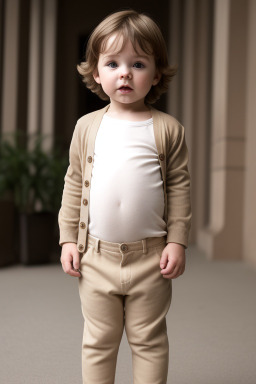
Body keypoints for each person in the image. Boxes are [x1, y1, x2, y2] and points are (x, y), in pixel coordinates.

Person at [59, 9, 192, 384]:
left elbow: (179, 187)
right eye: (113, 63)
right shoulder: (87, 127)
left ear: (156, 73)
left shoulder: (168, 129)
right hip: (95, 256)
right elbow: (74, 183)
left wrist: (177, 240)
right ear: (97, 73)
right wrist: (69, 237)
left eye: (138, 63)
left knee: (148, 340)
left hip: (150, 258)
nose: (125, 73)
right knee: (99, 340)